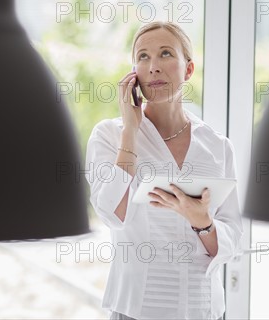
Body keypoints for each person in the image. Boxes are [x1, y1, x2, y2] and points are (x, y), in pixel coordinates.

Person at [85, 21, 243, 320]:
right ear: (133, 74)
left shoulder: (218, 146)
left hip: (204, 309)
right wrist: (131, 130)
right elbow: (112, 214)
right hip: (137, 310)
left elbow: (233, 237)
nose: (153, 66)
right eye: (143, 57)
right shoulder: (109, 135)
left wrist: (202, 221)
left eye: (166, 54)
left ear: (188, 69)